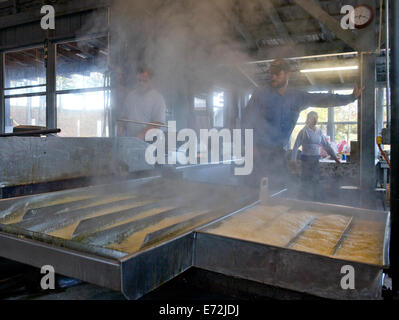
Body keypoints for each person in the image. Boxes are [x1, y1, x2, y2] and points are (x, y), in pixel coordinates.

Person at [241, 58, 364, 189]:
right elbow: (246, 121)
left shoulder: (297, 97)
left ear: (287, 74)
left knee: (280, 191)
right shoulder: (260, 94)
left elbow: (322, 99)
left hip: (278, 153)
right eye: (271, 73)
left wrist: (351, 97)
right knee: (254, 193)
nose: (273, 76)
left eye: (277, 73)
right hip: (259, 153)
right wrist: (250, 148)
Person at [291, 111, 340, 201]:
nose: (315, 120)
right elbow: (295, 147)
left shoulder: (319, 131)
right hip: (306, 160)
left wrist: (335, 157)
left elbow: (326, 145)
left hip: (315, 160)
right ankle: (303, 201)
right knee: (305, 181)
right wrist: (293, 161)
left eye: (316, 118)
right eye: (313, 118)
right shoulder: (304, 131)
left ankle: (316, 201)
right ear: (308, 119)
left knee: (315, 181)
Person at [118, 66, 167, 140]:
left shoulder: (158, 98)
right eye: (139, 80)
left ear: (151, 81)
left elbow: (158, 123)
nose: (141, 83)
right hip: (130, 141)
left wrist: (138, 137)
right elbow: (124, 117)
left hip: (150, 143)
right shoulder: (131, 96)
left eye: (144, 81)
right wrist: (119, 133)